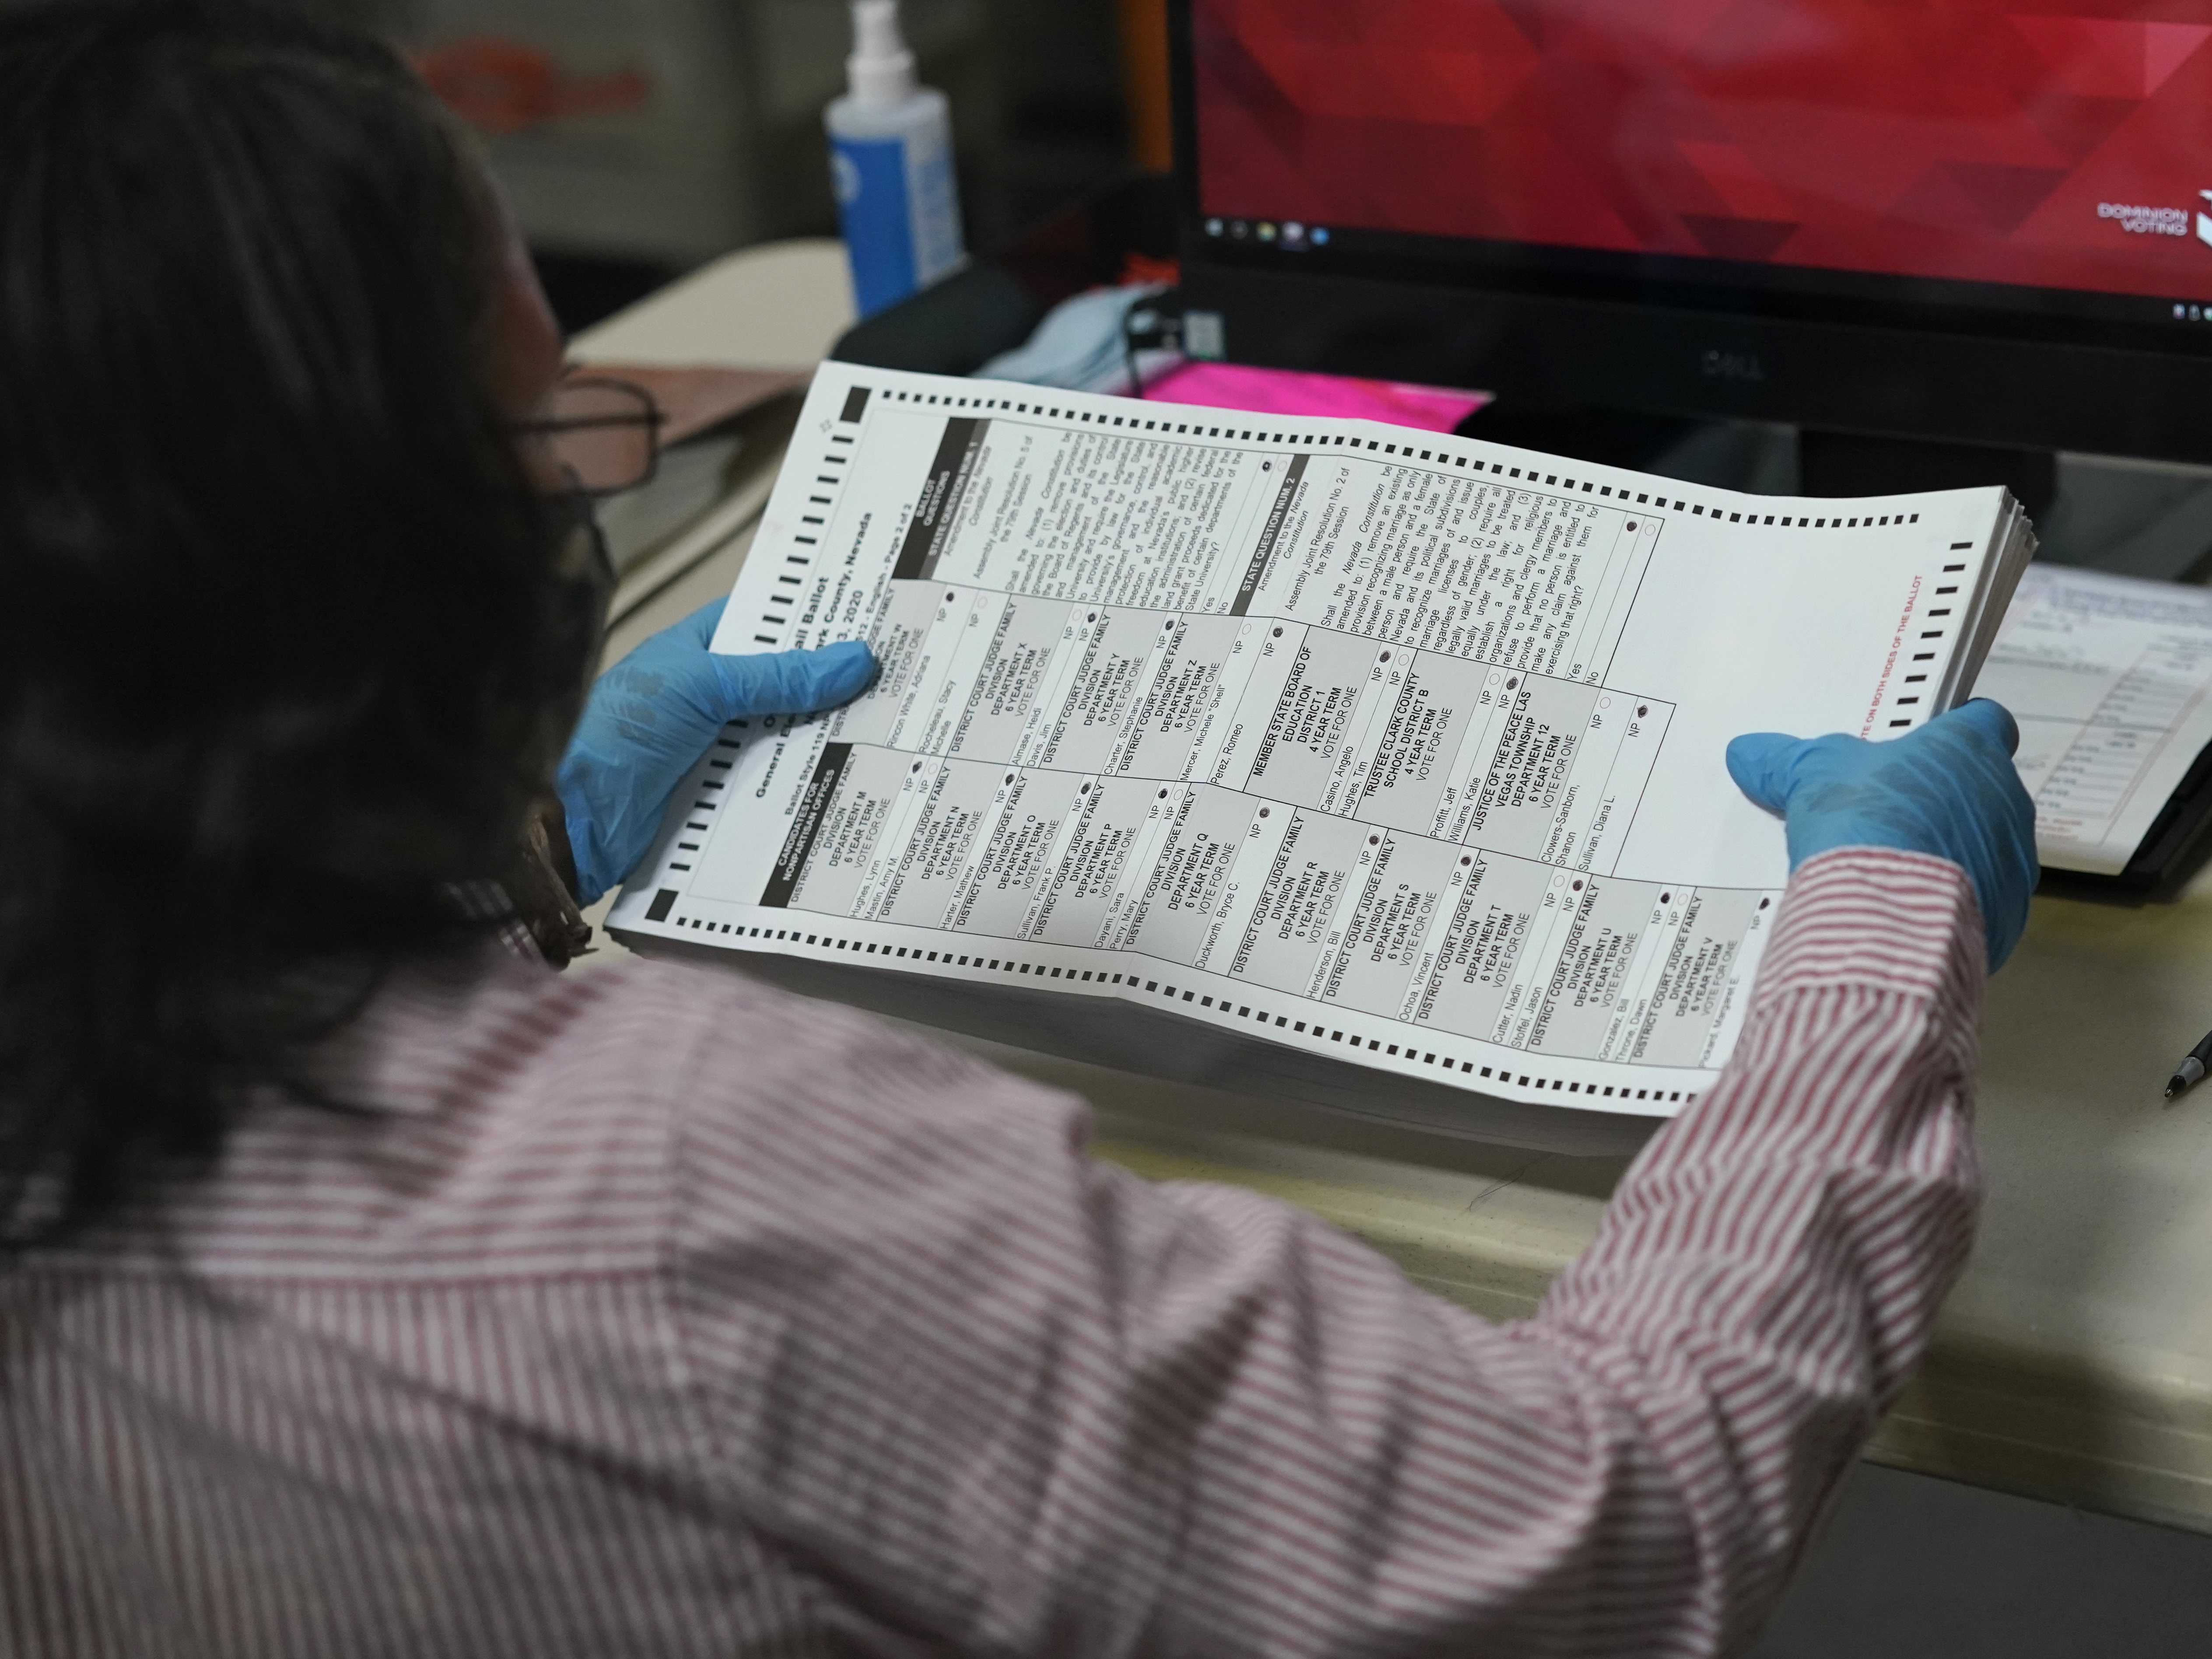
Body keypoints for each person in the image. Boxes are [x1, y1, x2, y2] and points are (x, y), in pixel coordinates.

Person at [0, 5, 2039, 1655]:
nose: (563, 510)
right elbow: (1602, 1537)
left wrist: (509, 849)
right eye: (538, 437)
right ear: (348, 562)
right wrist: (1876, 944)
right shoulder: (690, 1193)